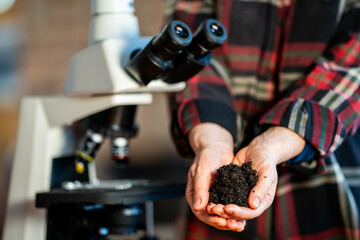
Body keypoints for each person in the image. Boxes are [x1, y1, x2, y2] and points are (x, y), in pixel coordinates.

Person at [165, 0, 360, 239]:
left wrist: (274, 144)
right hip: (215, 218)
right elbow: (191, 58)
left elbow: (350, 66)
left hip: (329, 188)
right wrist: (212, 139)